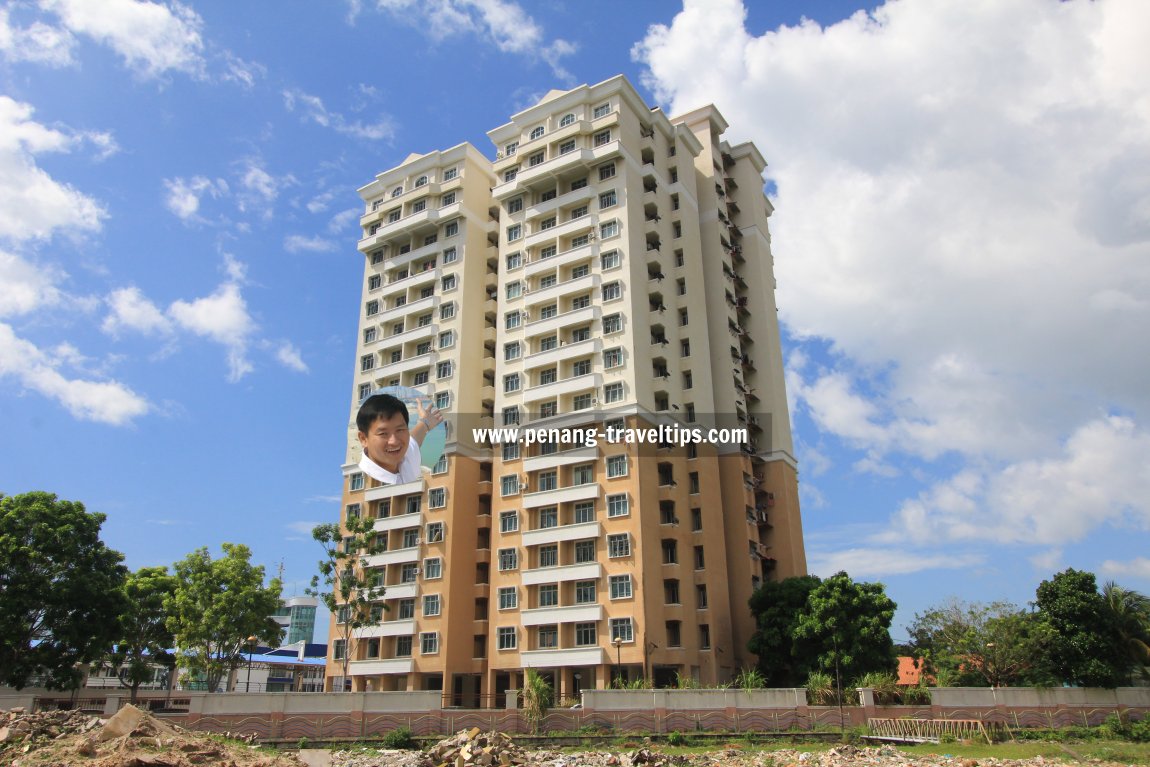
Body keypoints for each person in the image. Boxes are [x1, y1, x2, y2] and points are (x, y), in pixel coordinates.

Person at [356, 393, 444, 484]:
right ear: (363, 439)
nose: (394, 441)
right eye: (383, 433)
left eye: (400, 430)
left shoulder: (406, 454)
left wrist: (426, 421)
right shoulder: (367, 475)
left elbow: (414, 438)